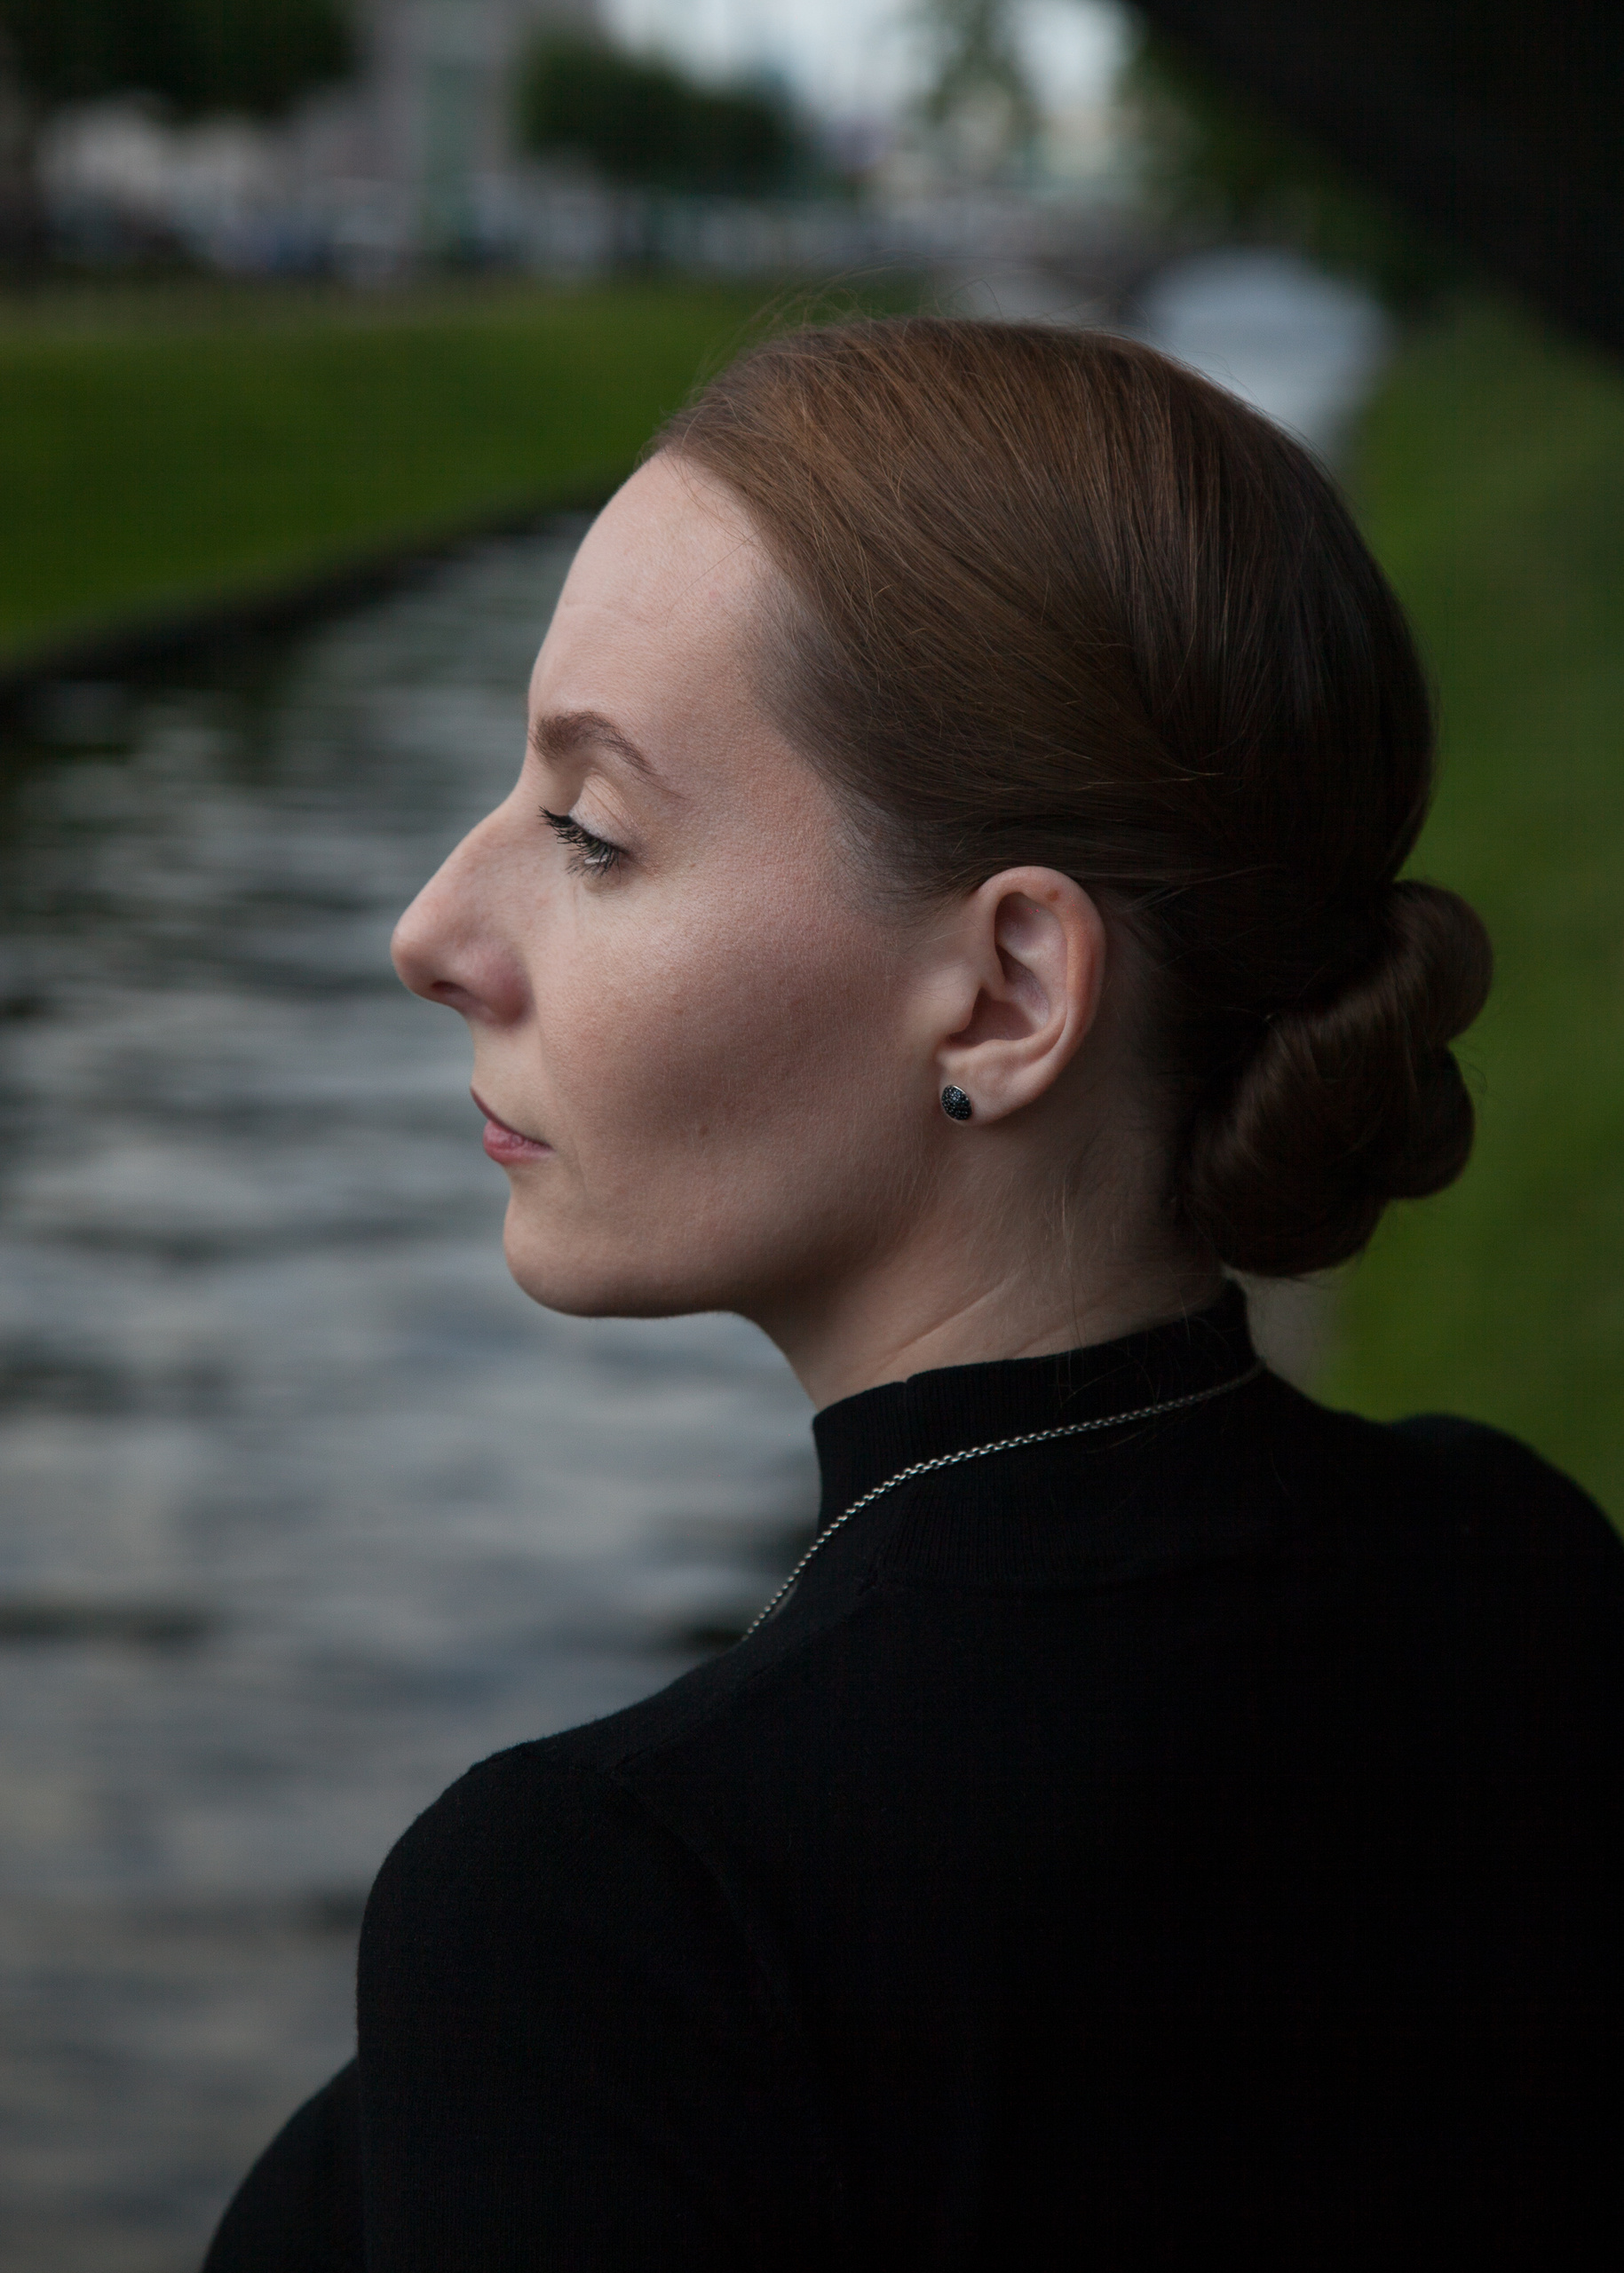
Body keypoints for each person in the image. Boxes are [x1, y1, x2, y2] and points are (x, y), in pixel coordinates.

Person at [202, 320, 1622, 2269]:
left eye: (592, 831)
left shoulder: (613, 1913)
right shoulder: (1517, 1563)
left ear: (1009, 993)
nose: (432, 929)